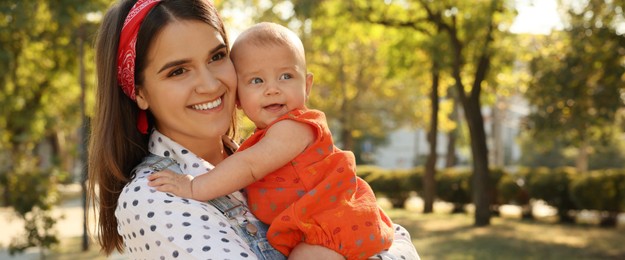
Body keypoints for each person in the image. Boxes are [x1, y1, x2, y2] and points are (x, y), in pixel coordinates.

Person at [87, 0, 419, 259]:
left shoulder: (258, 153)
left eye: (217, 56)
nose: (209, 83)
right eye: (178, 72)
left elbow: (395, 234)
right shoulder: (154, 197)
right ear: (139, 93)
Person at [148, 22, 396, 259]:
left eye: (286, 76)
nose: (272, 89)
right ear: (238, 98)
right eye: (257, 81)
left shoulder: (295, 127)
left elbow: (249, 166)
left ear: (307, 85)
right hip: (311, 230)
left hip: (330, 229)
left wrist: (194, 187)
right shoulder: (259, 138)